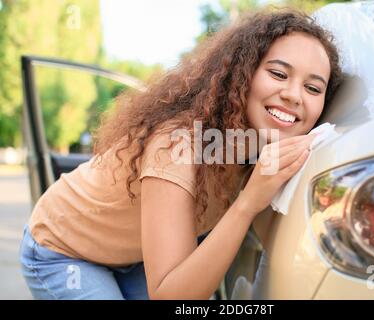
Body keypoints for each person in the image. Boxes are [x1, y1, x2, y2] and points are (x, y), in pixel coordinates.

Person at [19, 8, 342, 300]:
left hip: (135, 256)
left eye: (313, 88)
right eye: (278, 74)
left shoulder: (261, 146)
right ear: (241, 74)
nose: (293, 95)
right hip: (65, 251)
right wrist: (248, 203)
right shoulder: (179, 144)